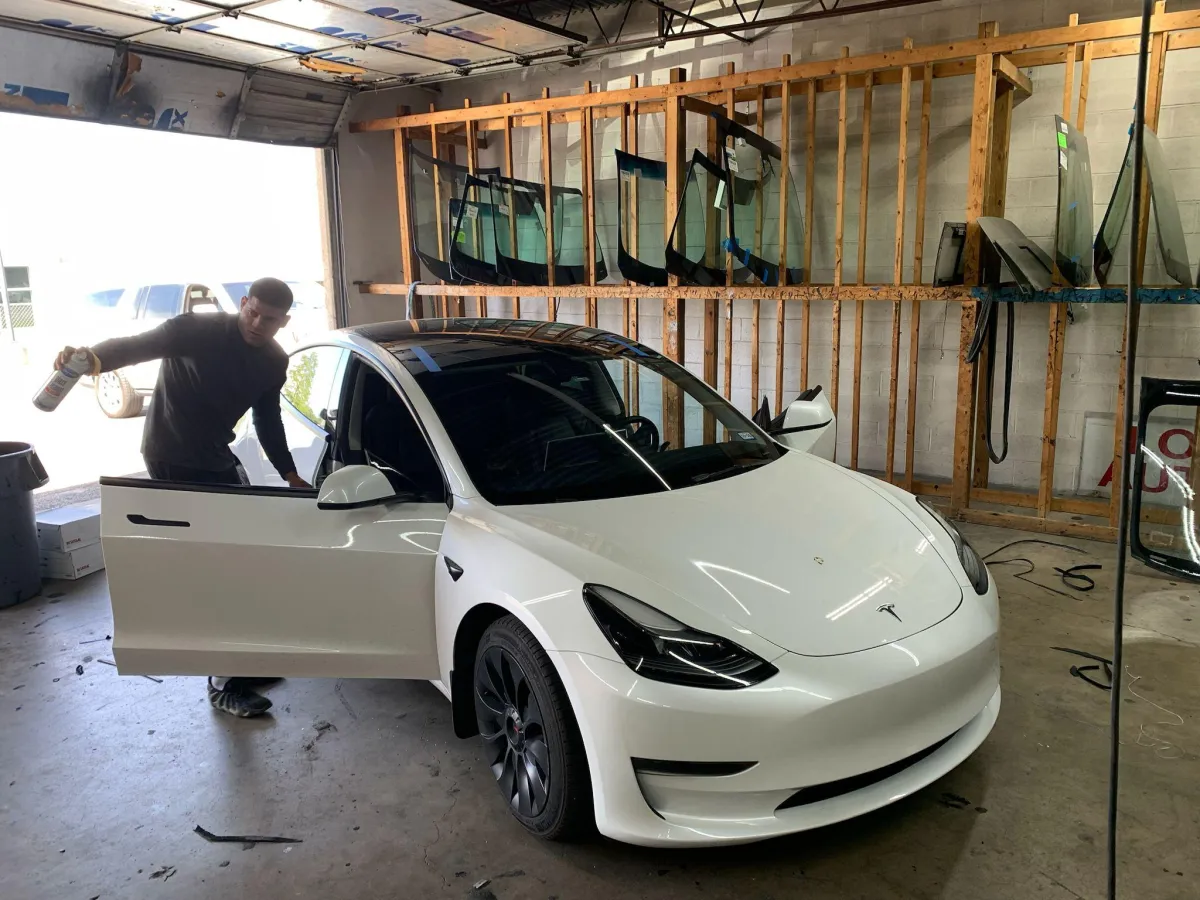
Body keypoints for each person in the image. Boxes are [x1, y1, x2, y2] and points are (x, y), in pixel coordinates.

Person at [57, 276, 308, 718]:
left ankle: (239, 662)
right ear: (243, 303)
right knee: (214, 567)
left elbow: (268, 420)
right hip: (171, 455)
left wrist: (290, 474)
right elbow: (135, 346)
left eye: (269, 320)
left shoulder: (273, 362)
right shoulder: (195, 329)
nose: (257, 324)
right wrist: (90, 359)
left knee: (243, 557)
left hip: (216, 457)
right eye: (252, 312)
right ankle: (223, 681)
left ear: (283, 322)